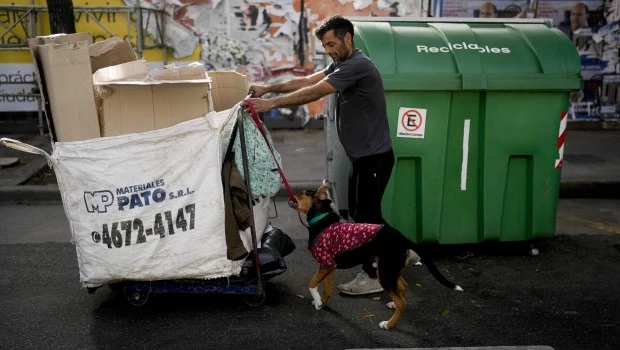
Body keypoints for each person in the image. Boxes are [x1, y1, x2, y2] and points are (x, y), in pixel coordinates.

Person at [242, 15, 395, 295]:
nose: (328, 50)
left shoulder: (357, 66)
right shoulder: (342, 63)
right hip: (363, 157)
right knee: (363, 213)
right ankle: (397, 254)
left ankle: (376, 275)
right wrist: (269, 87)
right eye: (325, 45)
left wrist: (270, 103)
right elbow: (308, 80)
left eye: (332, 43)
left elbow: (314, 92)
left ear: (348, 38)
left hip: (374, 157)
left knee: (368, 218)